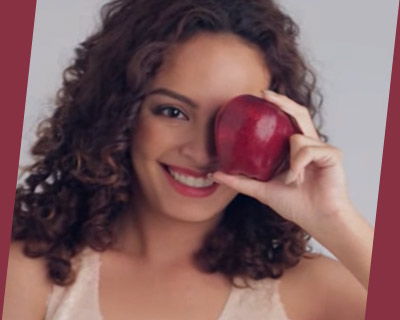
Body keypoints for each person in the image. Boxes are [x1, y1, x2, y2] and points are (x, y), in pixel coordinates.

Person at [4, 0, 373, 319]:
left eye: (235, 121)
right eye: (172, 112)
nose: (202, 152)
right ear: (119, 115)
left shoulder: (316, 292)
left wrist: (335, 220)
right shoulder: (29, 272)